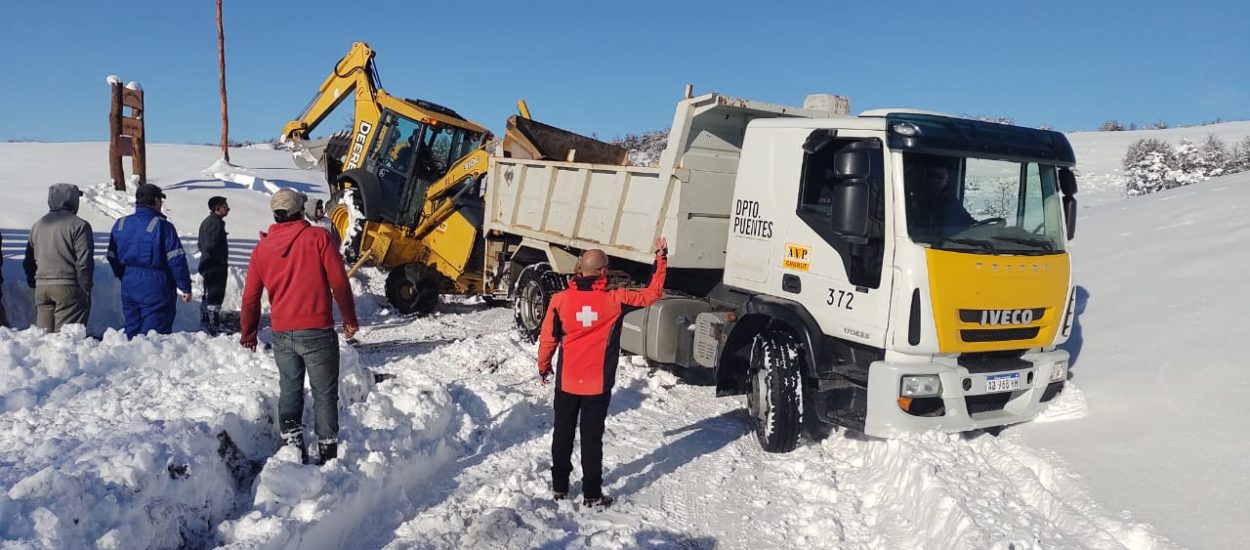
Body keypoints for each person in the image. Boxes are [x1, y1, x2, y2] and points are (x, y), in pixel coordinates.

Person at [537, 236, 668, 507]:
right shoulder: (616, 300)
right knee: (591, 440)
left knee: (562, 434)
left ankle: (559, 487)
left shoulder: (560, 300)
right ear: (602, 271)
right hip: (597, 385)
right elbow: (652, 294)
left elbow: (548, 338)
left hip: (567, 383)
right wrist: (661, 259)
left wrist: (543, 366)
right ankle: (592, 494)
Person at [240, 188, 359, 465]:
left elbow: (250, 297)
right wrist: (349, 319)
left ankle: (293, 445)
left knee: (290, 389)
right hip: (317, 330)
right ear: (300, 211)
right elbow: (339, 282)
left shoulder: (262, 249)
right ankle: (328, 454)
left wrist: (249, 333)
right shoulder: (318, 238)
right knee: (324, 393)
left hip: (282, 334)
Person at [107, 183, 192, 338]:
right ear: (155, 201)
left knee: (131, 329)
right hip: (156, 285)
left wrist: (123, 275)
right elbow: (176, 260)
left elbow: (112, 256)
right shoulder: (163, 226)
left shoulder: (120, 224)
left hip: (129, 283)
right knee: (155, 335)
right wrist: (185, 287)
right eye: (160, 201)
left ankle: (128, 360)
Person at [23, 184, 95, 332]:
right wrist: (85, 287)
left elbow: (28, 260)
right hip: (68, 287)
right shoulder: (80, 225)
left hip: (42, 288)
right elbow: (84, 261)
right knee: (66, 340)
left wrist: (34, 281)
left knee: (44, 339)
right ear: (72, 200)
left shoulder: (38, 225)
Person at [908, 164, 976, 238]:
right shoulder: (912, 200)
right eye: (930, 176)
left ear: (947, 180)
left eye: (940, 177)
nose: (934, 180)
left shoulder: (951, 203)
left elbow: (969, 226)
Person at [197, 196, 230, 334]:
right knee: (215, 295)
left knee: (210, 294)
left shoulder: (211, 222)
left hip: (209, 264)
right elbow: (210, 245)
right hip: (214, 266)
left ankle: (207, 320)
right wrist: (219, 261)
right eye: (225, 206)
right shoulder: (215, 223)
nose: (228, 209)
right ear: (217, 208)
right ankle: (213, 326)